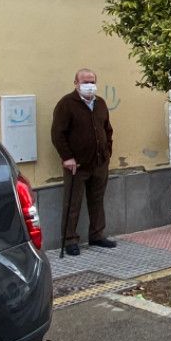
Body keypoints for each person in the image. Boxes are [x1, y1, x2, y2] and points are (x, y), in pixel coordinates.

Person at [51, 68, 116, 256]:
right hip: (76, 165)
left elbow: (107, 129)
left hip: (99, 163)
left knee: (97, 201)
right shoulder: (66, 104)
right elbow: (57, 134)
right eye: (85, 82)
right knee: (73, 203)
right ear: (76, 84)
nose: (89, 85)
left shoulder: (100, 103)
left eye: (92, 81)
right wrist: (67, 157)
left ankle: (97, 235)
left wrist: (107, 152)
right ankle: (70, 239)